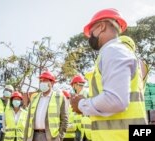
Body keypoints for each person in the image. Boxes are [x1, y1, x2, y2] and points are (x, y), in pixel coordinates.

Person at [71, 8, 147, 141]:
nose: (90, 37)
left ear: (101, 26)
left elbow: (116, 100)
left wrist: (81, 104)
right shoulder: (117, 52)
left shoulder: (113, 50)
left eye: (91, 32)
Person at [24, 71, 68, 141]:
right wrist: (25, 138)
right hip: (33, 136)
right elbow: (28, 120)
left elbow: (64, 120)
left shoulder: (60, 97)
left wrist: (60, 137)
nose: (42, 83)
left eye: (45, 81)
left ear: (52, 83)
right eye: (41, 81)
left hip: (51, 137)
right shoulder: (34, 98)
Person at [70, 74, 87, 141]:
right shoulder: (76, 96)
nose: (72, 87)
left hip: (85, 128)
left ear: (76, 84)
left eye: (73, 85)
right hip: (78, 127)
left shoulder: (85, 93)